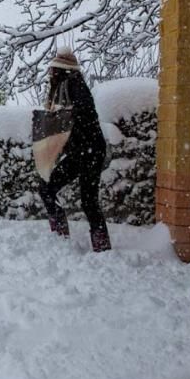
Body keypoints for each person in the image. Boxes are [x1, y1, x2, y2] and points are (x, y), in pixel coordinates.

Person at [37, 48, 111, 252]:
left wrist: (64, 123)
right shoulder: (66, 88)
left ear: (61, 70)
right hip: (84, 151)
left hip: (88, 151)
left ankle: (86, 241)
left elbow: (83, 117)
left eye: (53, 70)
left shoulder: (74, 86)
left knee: (79, 197)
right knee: (80, 198)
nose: (50, 73)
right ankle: (75, 237)